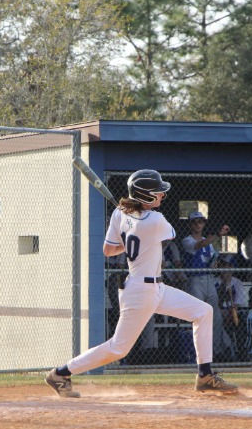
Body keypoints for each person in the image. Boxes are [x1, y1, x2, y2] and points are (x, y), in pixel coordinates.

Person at [44, 170, 238, 397]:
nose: (162, 195)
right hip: (140, 291)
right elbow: (170, 235)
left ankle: (205, 375)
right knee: (118, 348)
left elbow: (109, 249)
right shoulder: (156, 219)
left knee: (203, 311)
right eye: (157, 192)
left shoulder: (119, 213)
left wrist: (129, 228)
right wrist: (134, 226)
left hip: (156, 288)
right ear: (145, 196)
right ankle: (60, 373)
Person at [181, 211, 235, 361]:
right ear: (190, 225)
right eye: (194, 222)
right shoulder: (187, 240)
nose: (197, 224)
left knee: (216, 317)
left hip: (209, 279)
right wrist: (218, 234)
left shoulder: (209, 241)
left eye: (200, 221)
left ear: (204, 223)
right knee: (199, 316)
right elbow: (199, 245)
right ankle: (199, 353)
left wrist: (214, 264)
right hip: (195, 280)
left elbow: (211, 258)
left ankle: (216, 351)